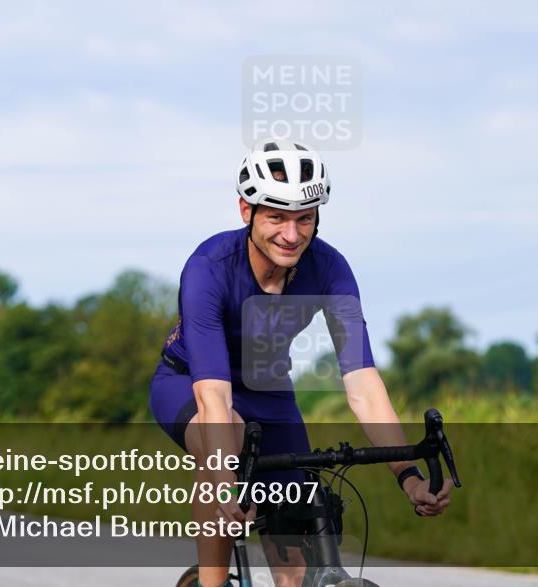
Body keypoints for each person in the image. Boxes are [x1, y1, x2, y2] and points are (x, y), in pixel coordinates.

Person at [149, 140, 451, 587]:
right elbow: (213, 397)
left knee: (294, 569)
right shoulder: (208, 267)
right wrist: (228, 481)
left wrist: (407, 475)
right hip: (188, 384)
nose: (292, 235)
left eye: (304, 218)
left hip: (269, 394)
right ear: (245, 210)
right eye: (276, 216)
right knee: (225, 440)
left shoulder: (330, 269)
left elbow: (363, 385)